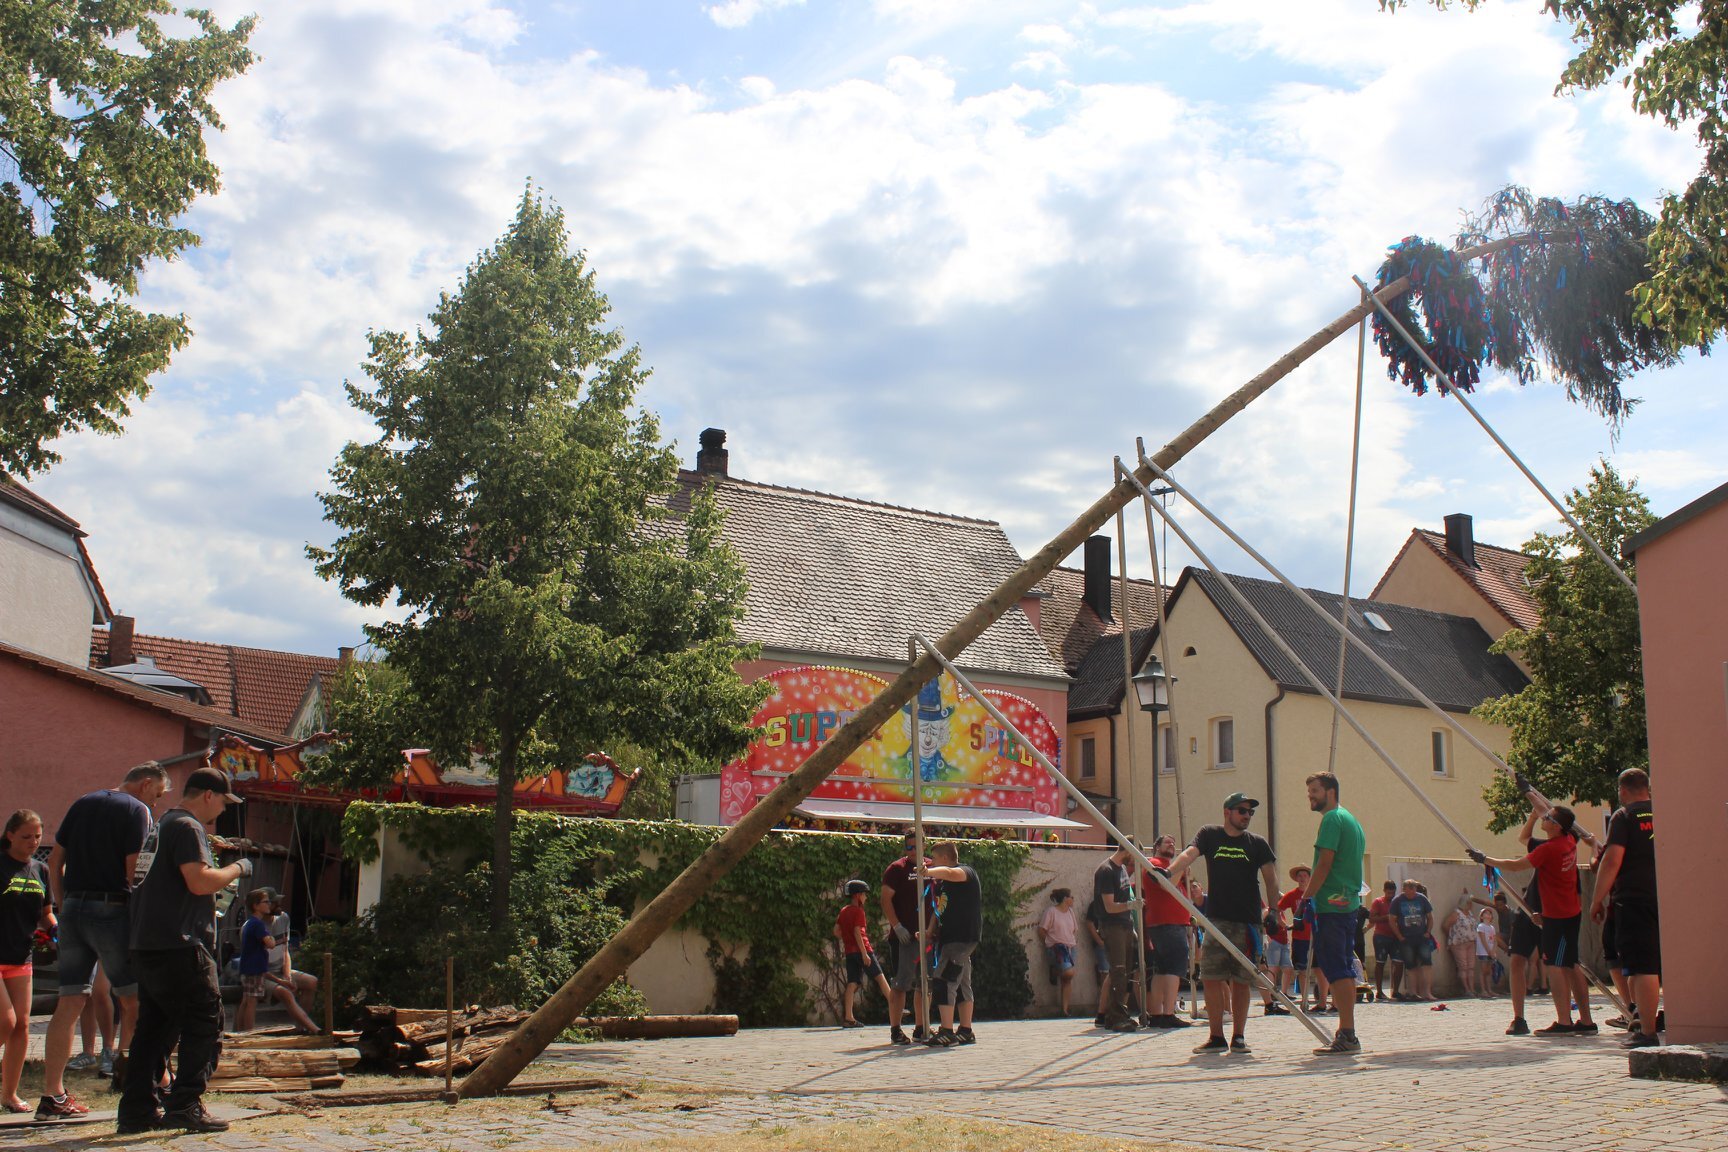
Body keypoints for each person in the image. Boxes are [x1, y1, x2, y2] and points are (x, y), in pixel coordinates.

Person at [118, 767, 253, 1135]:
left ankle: (137, 1110)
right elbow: (199, 881)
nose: (223, 810)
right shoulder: (189, 827)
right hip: (180, 944)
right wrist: (238, 868)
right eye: (224, 802)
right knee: (205, 1022)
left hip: (147, 943)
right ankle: (186, 1104)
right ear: (208, 795)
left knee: (154, 1030)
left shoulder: (161, 826)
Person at [40, 761, 169, 1121]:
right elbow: (134, 872)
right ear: (146, 785)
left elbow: (54, 860)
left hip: (74, 909)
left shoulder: (83, 802)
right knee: (134, 1001)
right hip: (112, 909)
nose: (155, 804)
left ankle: (52, 1095)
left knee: (69, 1002)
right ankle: (135, 1084)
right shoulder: (137, 810)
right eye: (157, 795)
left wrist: (64, 905)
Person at [1168, 792, 1279, 1055]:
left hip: (1248, 922)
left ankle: (1238, 1036)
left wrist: (1274, 910)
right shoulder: (1210, 834)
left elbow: (1271, 879)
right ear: (1227, 812)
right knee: (1212, 977)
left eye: (1250, 812)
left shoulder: (1257, 843)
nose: (1247, 816)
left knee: (1241, 981)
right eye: (1242, 810)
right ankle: (1216, 1036)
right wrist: (1170, 870)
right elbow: (1189, 854)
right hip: (1216, 921)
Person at [1474, 805, 1596, 1036]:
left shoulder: (1550, 849)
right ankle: (1586, 1021)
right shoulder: (1569, 838)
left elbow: (1516, 865)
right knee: (1570, 964)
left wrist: (1486, 859)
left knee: (1555, 965)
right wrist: (1529, 799)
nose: (1544, 817)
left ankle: (1564, 1022)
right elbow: (1534, 823)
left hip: (1557, 916)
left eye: (1548, 818)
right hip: (1566, 912)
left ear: (1557, 826)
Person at [1590, 768, 1659, 1048]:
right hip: (1665, 897)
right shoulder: (1663, 810)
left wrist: (1597, 899)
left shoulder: (1623, 816)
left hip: (1634, 899)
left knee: (1641, 967)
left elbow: (1612, 860)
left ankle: (1648, 1032)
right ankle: (1645, 1022)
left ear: (1622, 790)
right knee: (1656, 965)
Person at [1299, 772, 1366, 1055]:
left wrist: (1306, 897)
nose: (1310, 796)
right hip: (1347, 903)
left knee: (1337, 968)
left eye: (1314, 790)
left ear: (1331, 791)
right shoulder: (1350, 819)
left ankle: (1348, 1035)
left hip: (1332, 906)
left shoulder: (1331, 819)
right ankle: (1346, 1031)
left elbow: (1324, 864)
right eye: (1309, 791)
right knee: (1342, 967)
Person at [1, 811, 55, 1115]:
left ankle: (9, 1095)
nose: (34, 842)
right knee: (6, 1022)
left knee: (22, 1025)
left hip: (21, 956)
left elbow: (45, 912)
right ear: (10, 835)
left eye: (37, 836)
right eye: (26, 836)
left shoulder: (40, 870)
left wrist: (55, 929)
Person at [919, 841, 980, 1047]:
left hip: (961, 938)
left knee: (944, 979)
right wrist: (929, 931)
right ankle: (965, 1030)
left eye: (934, 858)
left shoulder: (965, 872)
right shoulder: (943, 883)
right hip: (951, 938)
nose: (932, 862)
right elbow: (939, 908)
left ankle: (947, 1032)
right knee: (961, 983)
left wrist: (928, 871)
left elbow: (951, 873)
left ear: (945, 858)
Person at [235, 890, 318, 1034]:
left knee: (311, 981)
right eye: (271, 902)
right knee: (261, 998)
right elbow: (258, 957)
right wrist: (282, 982)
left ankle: (301, 1028)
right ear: (258, 906)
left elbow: (285, 950)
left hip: (275, 970)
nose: (278, 905)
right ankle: (313, 1029)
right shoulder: (254, 926)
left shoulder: (283, 918)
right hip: (262, 973)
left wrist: (287, 976)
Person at [879, 833, 933, 1046]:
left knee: (924, 984)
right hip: (903, 938)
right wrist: (897, 925)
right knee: (901, 984)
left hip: (926, 936)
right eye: (908, 847)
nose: (912, 851)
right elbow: (885, 899)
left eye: (915, 847)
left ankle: (921, 1027)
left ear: (924, 845)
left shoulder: (931, 866)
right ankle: (896, 1030)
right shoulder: (896, 869)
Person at [1140, 835, 1195, 1028]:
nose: (1172, 845)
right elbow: (1167, 885)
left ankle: (1158, 1014)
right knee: (1174, 968)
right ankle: (1167, 1013)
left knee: (1163, 969)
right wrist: (1181, 867)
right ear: (1156, 847)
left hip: (1170, 923)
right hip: (1167, 923)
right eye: (1167, 843)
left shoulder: (1169, 867)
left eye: (1173, 843)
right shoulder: (1153, 864)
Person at [1092, 841, 1140, 1032]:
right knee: (1118, 970)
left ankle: (1116, 1014)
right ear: (1127, 850)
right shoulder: (1106, 871)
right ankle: (1116, 1016)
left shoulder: (1121, 869)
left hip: (1125, 925)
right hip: (1112, 926)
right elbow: (1109, 906)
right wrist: (1131, 905)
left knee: (1126, 971)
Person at [1276, 868, 1322, 1010]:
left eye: (1305, 875)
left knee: (1319, 969)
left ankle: (1322, 1000)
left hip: (1316, 936)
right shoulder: (1292, 895)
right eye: (1299, 876)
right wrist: (1285, 925)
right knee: (1302, 970)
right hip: (1300, 938)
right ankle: (1304, 999)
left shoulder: (1316, 894)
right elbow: (1277, 909)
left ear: (1309, 878)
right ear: (1296, 879)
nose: (1302, 878)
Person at [1036, 888, 1079, 1016]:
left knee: (1067, 979)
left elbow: (1074, 929)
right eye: (1072, 897)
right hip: (1057, 948)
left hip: (1070, 947)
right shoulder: (1051, 912)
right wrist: (1050, 943)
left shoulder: (1070, 912)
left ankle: (1065, 1009)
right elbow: (1041, 930)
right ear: (1066, 898)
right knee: (1069, 972)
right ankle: (1054, 970)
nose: (1073, 899)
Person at [1390, 879, 1434, 1000]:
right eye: (1410, 891)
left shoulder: (1421, 899)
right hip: (1406, 938)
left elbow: (1430, 917)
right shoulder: (1397, 901)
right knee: (1411, 965)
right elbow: (1392, 920)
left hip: (1422, 937)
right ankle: (1413, 992)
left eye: (1414, 890)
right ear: (1404, 890)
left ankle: (1427, 992)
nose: (1413, 893)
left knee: (1427, 963)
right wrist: (1399, 936)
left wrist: (1428, 932)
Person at [1368, 880, 1400, 1001]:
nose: (1390, 895)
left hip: (1395, 936)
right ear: (1384, 891)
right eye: (1388, 893)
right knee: (1380, 963)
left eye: (1392, 893)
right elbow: (1372, 918)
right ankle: (1379, 991)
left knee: (1398, 962)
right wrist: (1386, 917)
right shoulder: (1378, 902)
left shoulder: (1397, 902)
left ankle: (1396, 991)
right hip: (1381, 936)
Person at [1444, 894, 1480, 998]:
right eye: (1470, 903)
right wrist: (1453, 936)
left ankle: (1472, 989)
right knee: (1463, 966)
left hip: (1471, 942)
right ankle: (1467, 989)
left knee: (1471, 967)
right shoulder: (1456, 914)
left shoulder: (1469, 913)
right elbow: (1445, 925)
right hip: (1459, 944)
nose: (1471, 905)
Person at [1474, 908, 1498, 996]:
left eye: (1489, 913)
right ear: (1481, 916)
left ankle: (1489, 990)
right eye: (1485, 913)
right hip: (1483, 952)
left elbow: (1495, 941)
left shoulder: (1492, 927)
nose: (1488, 915)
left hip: (1491, 952)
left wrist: (1494, 951)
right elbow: (1483, 940)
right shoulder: (1481, 926)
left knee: (1489, 971)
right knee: (1483, 971)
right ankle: (1483, 990)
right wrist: (1489, 951)